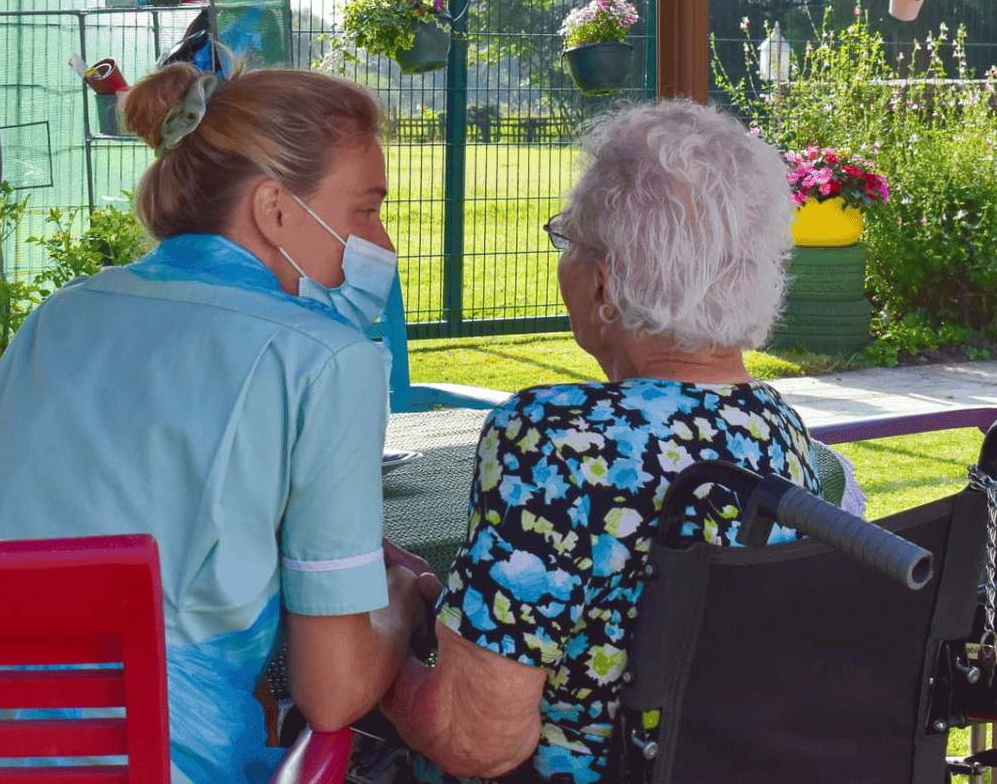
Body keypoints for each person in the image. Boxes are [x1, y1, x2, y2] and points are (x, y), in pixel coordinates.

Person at [0, 63, 438, 784]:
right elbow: (331, 693)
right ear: (274, 208)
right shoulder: (328, 360)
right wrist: (389, 608)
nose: (381, 243)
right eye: (363, 210)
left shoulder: (62, 313)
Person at [351, 99, 820, 784]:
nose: (563, 258)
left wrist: (386, 639)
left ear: (604, 284)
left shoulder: (555, 439)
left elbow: (476, 744)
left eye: (567, 238)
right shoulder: (777, 429)